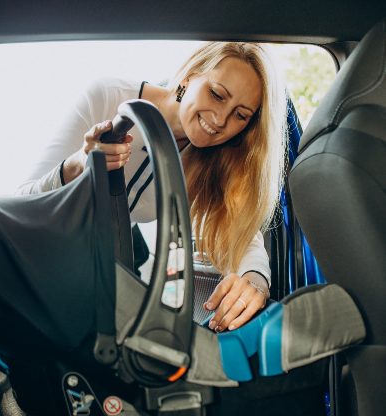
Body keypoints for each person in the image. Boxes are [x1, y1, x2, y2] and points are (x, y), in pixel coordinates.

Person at [17, 42, 287, 333]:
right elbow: (23, 202)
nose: (221, 120)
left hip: (104, 278)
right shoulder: (107, 98)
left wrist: (255, 280)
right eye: (217, 94)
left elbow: (243, 238)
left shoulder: (214, 159)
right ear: (189, 78)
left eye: (241, 115)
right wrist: (81, 164)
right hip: (34, 263)